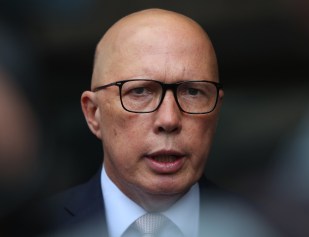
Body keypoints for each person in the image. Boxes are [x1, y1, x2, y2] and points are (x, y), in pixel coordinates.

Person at [31, 8, 280, 237]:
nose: (169, 119)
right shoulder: (37, 228)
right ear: (93, 113)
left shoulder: (267, 226)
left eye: (193, 92)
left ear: (216, 110)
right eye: (139, 92)